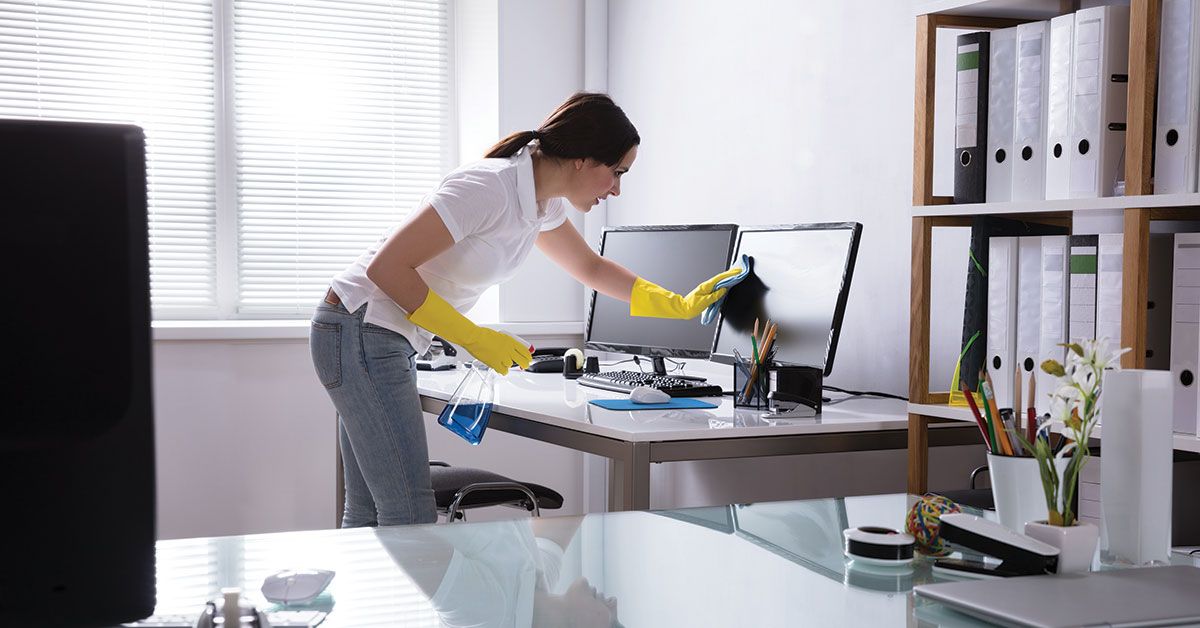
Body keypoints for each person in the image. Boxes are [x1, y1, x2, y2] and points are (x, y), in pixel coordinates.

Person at [310, 92, 741, 527]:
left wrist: (677, 304)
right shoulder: (487, 187)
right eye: (616, 172)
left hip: (371, 334)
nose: (616, 188)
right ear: (582, 159)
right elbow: (388, 267)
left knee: (370, 510)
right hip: (359, 327)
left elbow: (589, 267)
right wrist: (474, 337)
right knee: (408, 513)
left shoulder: (540, 202)